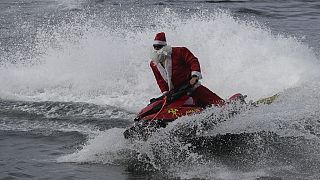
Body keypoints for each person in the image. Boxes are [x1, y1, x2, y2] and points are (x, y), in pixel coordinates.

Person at [149, 32, 225, 107]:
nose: (156, 49)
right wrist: (165, 92)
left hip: (190, 86)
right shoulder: (153, 63)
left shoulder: (180, 51)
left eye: (159, 47)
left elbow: (193, 61)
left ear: (165, 47)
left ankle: (225, 107)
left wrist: (195, 76)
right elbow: (160, 80)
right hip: (175, 94)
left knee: (216, 103)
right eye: (154, 47)